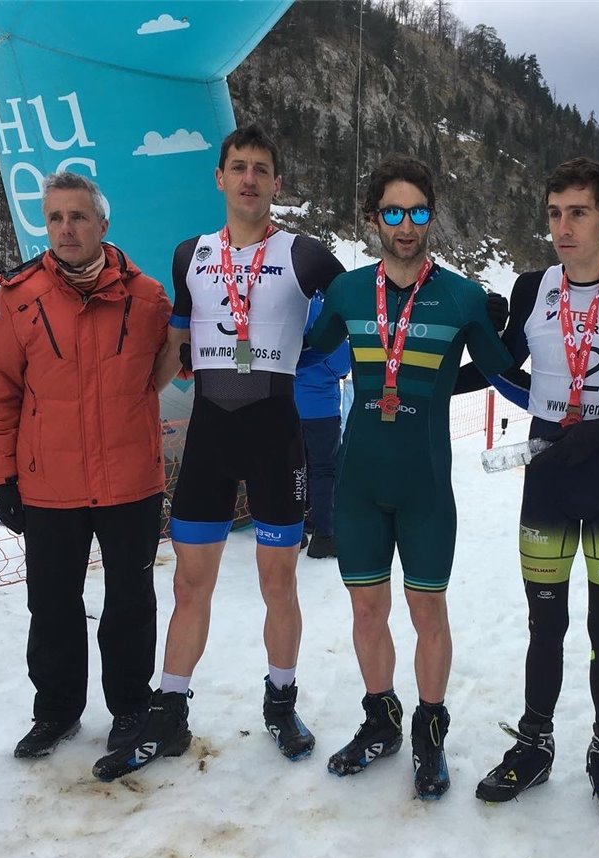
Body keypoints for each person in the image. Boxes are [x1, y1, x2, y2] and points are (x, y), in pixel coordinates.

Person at [93, 125, 345, 781]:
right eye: (239, 167)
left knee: (278, 582)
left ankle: (281, 701)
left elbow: (356, 309)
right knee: (188, 583)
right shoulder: (191, 254)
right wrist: (130, 407)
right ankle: (170, 712)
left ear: (277, 183)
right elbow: (176, 341)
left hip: (277, 436)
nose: (249, 179)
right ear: (220, 177)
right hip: (210, 435)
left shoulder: (304, 254)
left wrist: (318, 354)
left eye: (261, 168)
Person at [455, 157, 599, 825]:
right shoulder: (533, 286)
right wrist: (445, 359)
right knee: (545, 624)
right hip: (549, 480)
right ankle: (535, 743)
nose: (562, 227)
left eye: (578, 213)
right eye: (555, 213)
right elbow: (499, 366)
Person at [306, 155, 513, 800]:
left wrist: (518, 320)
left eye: (417, 212)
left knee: (428, 610)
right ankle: (381, 723)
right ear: (373, 218)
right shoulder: (347, 293)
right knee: (367, 610)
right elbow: (301, 351)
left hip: (425, 489)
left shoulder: (462, 297)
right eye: (392, 212)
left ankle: (429, 731)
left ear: (431, 216)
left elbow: (507, 371)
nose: (405, 225)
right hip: (359, 486)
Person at [0, 171, 172, 761]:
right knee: (52, 606)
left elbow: (177, 362)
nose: (66, 228)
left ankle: (131, 705)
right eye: (56, 217)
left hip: (130, 482)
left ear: (102, 224)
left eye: (78, 216)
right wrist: (3, 477)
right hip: (48, 486)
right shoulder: (16, 297)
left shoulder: (147, 298)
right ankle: (57, 711)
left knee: (130, 603)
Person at [295, 296, 350, 559]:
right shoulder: (323, 309)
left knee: (292, 470)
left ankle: (293, 532)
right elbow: (341, 362)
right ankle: (324, 535)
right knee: (324, 471)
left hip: (285, 405)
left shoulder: (286, 304)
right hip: (320, 409)